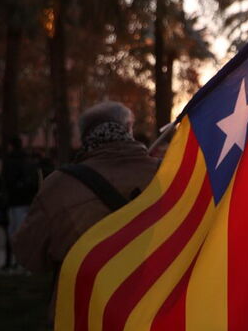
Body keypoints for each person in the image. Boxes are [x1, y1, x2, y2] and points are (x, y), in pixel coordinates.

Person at [13, 102, 159, 288]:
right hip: (156, 297)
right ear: (129, 129)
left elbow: (29, 255)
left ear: (84, 137)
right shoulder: (168, 174)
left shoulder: (59, 185)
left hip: (86, 300)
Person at [1, 136, 40, 269]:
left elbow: (7, 182)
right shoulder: (29, 161)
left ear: (11, 146)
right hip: (28, 200)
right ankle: (23, 260)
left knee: (14, 232)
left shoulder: (10, 162)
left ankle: (16, 260)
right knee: (23, 231)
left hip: (14, 201)